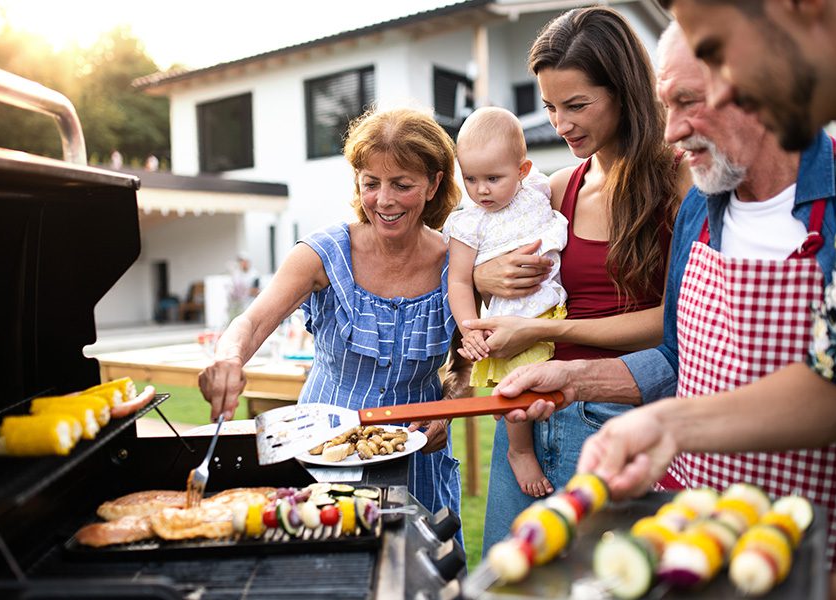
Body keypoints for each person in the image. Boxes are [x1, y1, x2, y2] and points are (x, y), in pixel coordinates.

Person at [497, 21, 836, 570]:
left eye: (689, 101)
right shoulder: (698, 215)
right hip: (699, 539)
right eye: (666, 103)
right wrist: (575, 378)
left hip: (831, 546)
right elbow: (676, 359)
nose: (672, 130)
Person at [199, 107, 471, 535]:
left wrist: (449, 408)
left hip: (418, 458)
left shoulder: (456, 263)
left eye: (402, 184)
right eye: (371, 183)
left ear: (434, 183)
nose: (384, 200)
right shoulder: (323, 253)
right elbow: (250, 324)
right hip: (323, 452)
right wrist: (229, 358)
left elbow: (465, 363)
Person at [474, 6, 685, 553]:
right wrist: (481, 273)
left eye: (576, 105)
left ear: (623, 92)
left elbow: (680, 323)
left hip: (613, 419)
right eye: (548, 106)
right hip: (527, 413)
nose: (560, 123)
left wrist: (550, 334)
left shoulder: (677, 180)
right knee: (506, 580)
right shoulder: (556, 188)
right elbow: (481, 250)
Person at [444, 106, 568, 498]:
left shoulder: (539, 191)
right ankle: (520, 450)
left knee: (549, 394)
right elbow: (459, 282)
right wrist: (469, 328)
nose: (481, 190)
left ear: (523, 170)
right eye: (470, 179)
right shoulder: (469, 222)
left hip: (555, 309)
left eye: (493, 179)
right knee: (515, 390)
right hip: (510, 317)